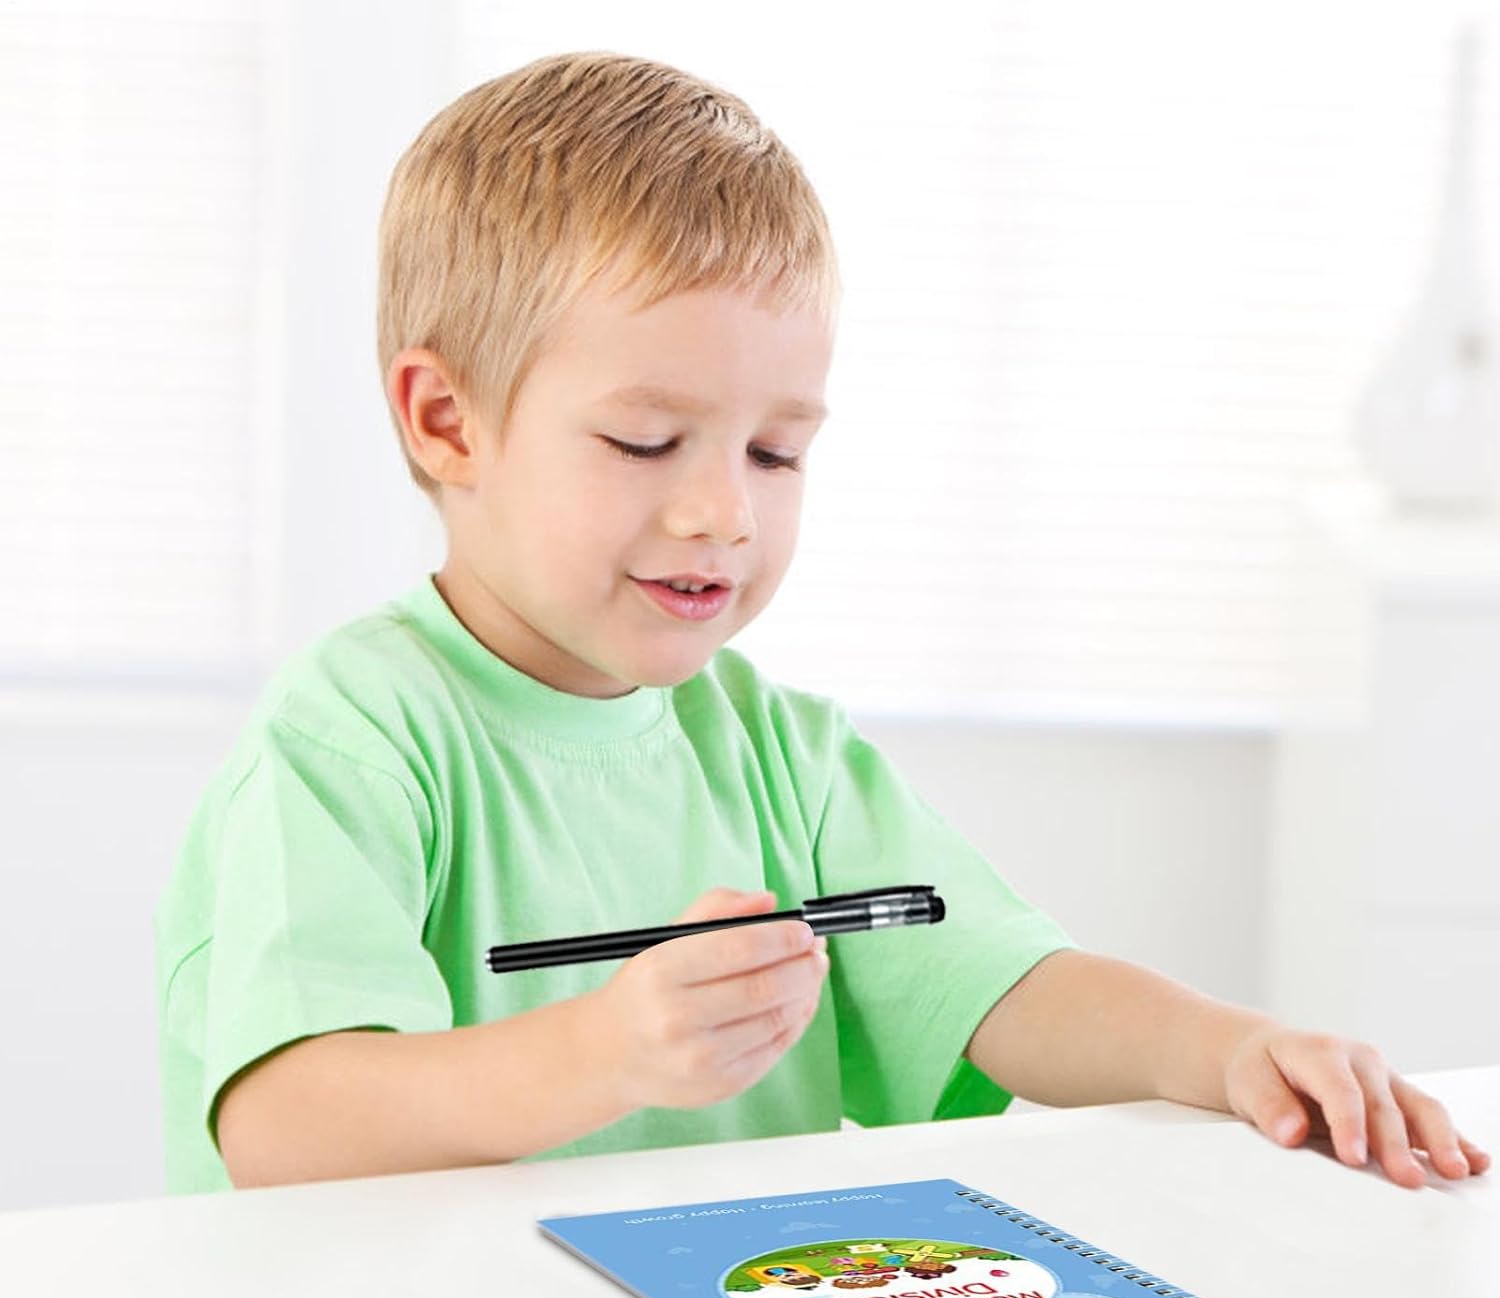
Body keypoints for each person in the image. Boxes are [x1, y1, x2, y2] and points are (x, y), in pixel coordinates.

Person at [153, 50, 1489, 1196]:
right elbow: (285, 1125)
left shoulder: (777, 754)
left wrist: (1226, 1050)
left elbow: (1002, 987)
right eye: (646, 439)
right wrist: (602, 1056)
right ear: (447, 421)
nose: (724, 512)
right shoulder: (356, 739)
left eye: (777, 452)